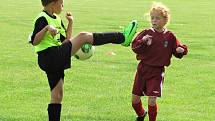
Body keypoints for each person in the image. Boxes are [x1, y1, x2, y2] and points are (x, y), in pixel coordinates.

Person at [29, 0, 138, 120]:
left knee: (57, 95)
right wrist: (46, 29)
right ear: (53, 3)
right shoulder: (42, 18)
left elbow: (66, 41)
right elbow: (34, 41)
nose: (63, 6)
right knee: (83, 36)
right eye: (61, 3)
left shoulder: (57, 19)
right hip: (50, 55)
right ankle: (122, 37)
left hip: (54, 57)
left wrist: (70, 22)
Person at [131, 2, 188, 121]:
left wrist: (180, 50)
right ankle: (141, 114)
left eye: (157, 18)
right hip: (142, 69)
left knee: (152, 100)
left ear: (165, 20)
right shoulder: (146, 33)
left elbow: (178, 51)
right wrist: (143, 42)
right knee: (135, 100)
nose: (154, 20)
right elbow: (134, 47)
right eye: (152, 18)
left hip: (157, 72)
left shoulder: (170, 36)